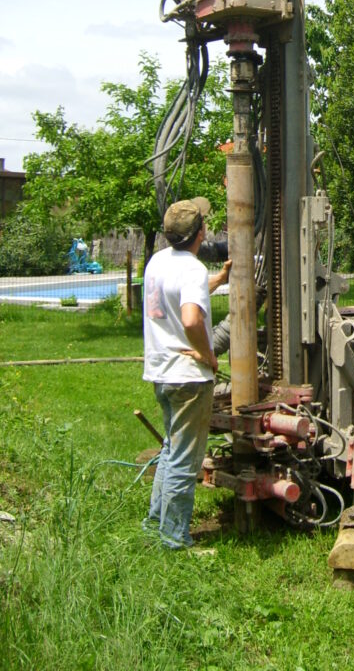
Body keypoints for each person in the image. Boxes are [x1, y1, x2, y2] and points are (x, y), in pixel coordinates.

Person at [142, 196, 231, 549]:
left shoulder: (157, 263)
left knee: (169, 449)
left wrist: (220, 279)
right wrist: (208, 355)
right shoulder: (192, 268)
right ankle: (174, 538)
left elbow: (180, 298)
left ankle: (154, 524)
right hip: (188, 376)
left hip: (161, 372)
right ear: (199, 232)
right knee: (184, 459)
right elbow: (191, 317)